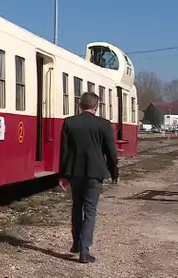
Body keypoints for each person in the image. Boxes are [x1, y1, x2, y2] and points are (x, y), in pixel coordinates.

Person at [58, 91, 119, 264]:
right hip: (95, 173)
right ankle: (85, 250)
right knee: (90, 210)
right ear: (96, 107)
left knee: (77, 207)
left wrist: (63, 175)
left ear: (79, 105)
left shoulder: (69, 122)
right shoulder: (104, 124)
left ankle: (77, 243)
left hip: (75, 173)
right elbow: (111, 153)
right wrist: (114, 172)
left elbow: (64, 152)